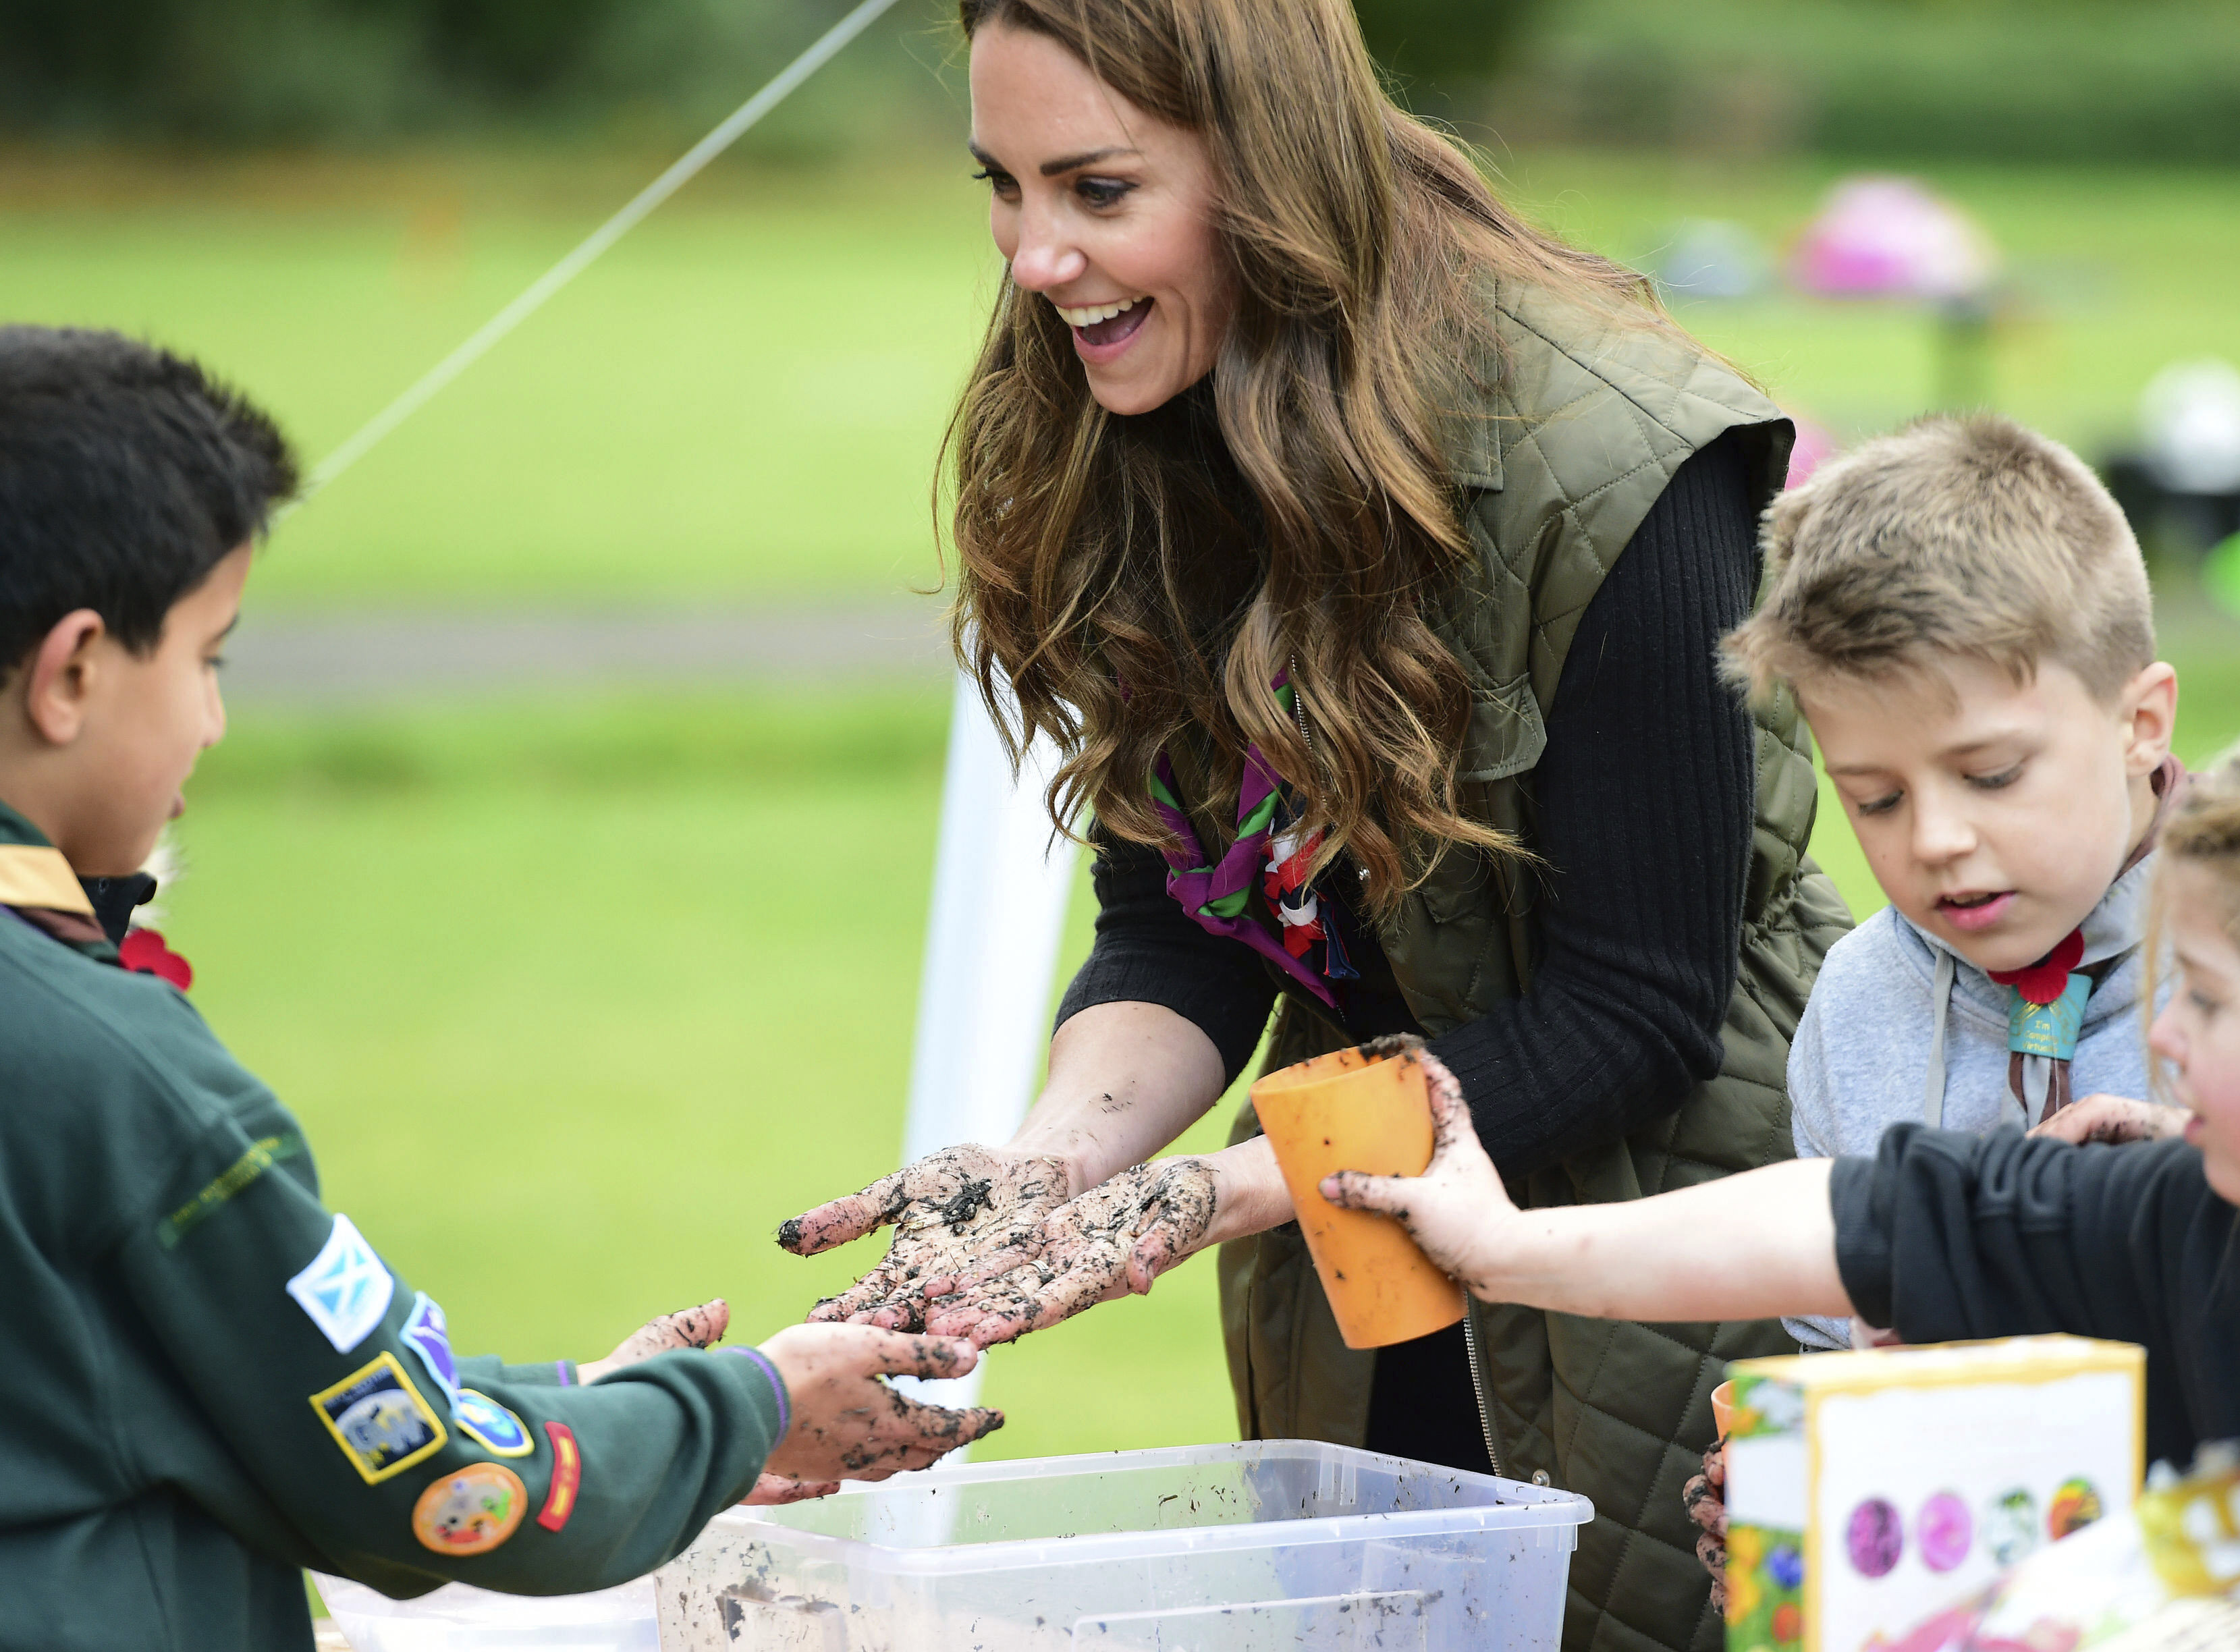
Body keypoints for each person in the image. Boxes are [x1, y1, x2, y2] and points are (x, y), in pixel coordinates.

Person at [777, 2, 1850, 1645]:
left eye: (1097, 190)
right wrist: (1059, 1168)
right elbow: (1183, 923)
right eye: (1001, 185)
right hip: (1347, 1278)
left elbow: (1638, 1011)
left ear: (1268, 172)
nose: (1036, 259)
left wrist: (1221, 1195)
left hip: (1653, 1251)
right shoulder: (1123, 403)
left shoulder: (1618, 456)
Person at [0, 326, 1000, 1652]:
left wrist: (595, 1407)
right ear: (73, 672)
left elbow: (195, 1403)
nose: (216, 720)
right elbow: (429, 1485)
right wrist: (742, 1409)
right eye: (210, 657)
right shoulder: (107, 1067)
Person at [1323, 711, 2240, 1471]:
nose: (2167, 1034)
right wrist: (1498, 1248)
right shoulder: (2190, 1202)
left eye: (2214, 1002)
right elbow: (1850, 1216)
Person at [1718, 414, 2189, 1352]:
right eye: (1877, 799)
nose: (1935, 840)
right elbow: (1828, 1338)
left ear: (2141, 723)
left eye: (1992, 775)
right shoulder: (1856, 1003)